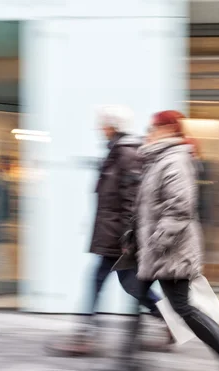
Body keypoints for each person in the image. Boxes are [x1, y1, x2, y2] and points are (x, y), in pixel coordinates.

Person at [100, 110, 219, 371]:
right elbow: (148, 206)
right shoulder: (159, 159)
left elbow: (179, 208)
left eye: (153, 127)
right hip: (152, 249)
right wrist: (134, 236)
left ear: (168, 128)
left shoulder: (175, 160)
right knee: (137, 295)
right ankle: (127, 365)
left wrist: (156, 242)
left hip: (169, 251)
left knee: (183, 308)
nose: (149, 131)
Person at [46, 105, 171, 355]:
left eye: (102, 123)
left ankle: (85, 336)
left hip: (118, 236)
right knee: (130, 284)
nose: (99, 128)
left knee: (101, 281)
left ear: (112, 126)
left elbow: (131, 199)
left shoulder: (126, 153)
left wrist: (128, 235)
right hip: (113, 233)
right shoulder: (117, 151)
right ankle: (170, 322)